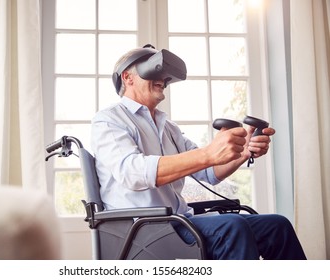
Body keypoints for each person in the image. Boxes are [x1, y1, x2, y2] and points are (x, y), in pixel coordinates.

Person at [91, 45, 306, 260]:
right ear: (127, 77)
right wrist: (208, 153)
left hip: (178, 221)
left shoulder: (169, 128)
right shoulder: (110, 120)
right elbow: (133, 173)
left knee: (278, 226)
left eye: (165, 75)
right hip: (143, 229)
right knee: (233, 227)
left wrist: (242, 151)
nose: (163, 78)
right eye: (154, 70)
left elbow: (210, 173)